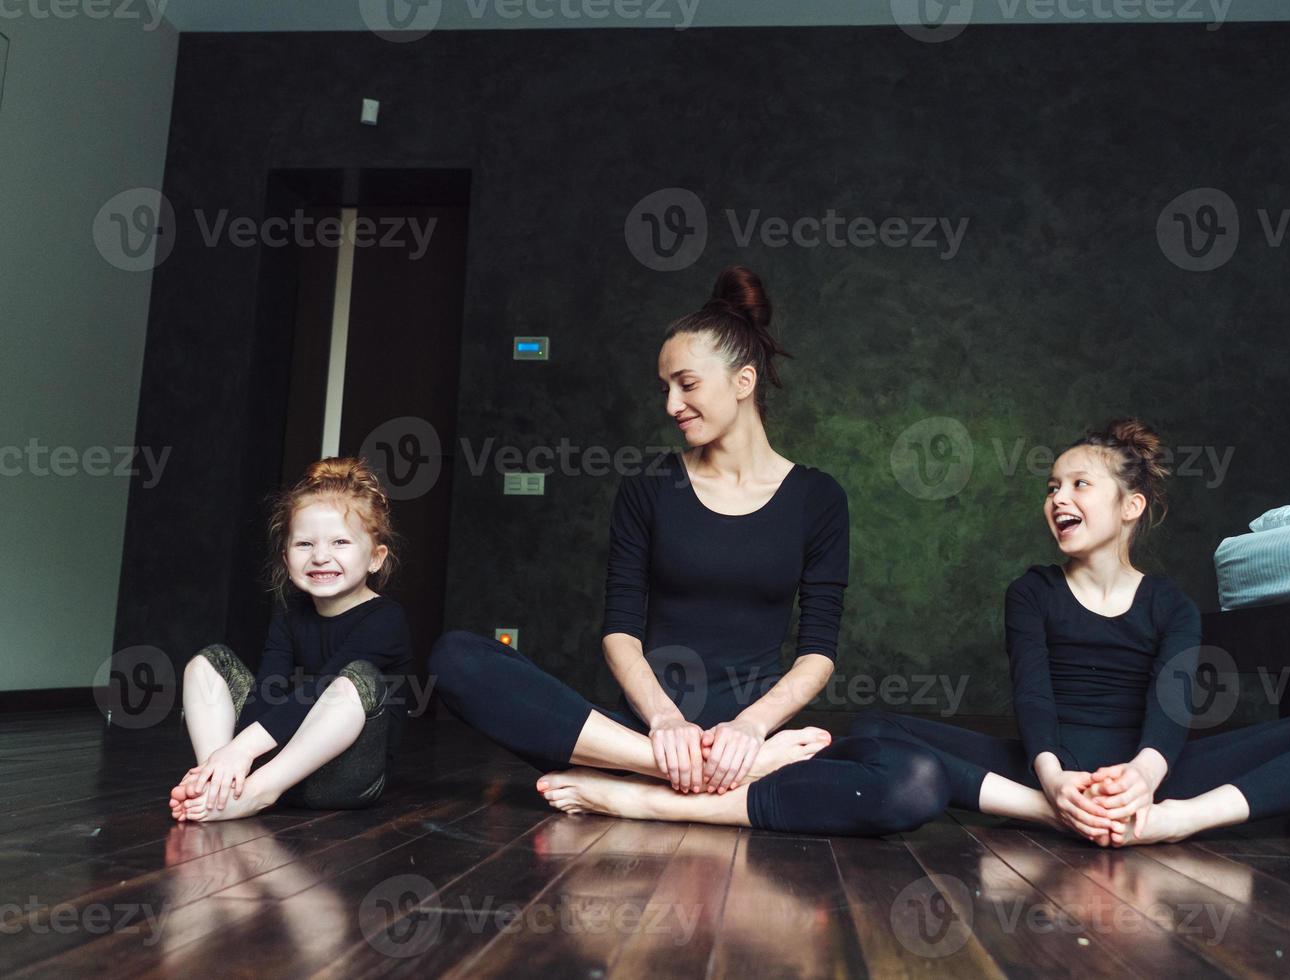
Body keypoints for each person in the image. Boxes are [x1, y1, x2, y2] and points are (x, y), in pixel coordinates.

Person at [430, 266, 947, 836]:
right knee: (455, 657)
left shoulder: (818, 498)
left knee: (913, 777)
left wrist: (750, 732)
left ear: (743, 381)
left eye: (687, 384)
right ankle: (658, 775)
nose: (671, 404)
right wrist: (664, 728)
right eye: (665, 389)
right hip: (634, 736)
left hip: (750, 745)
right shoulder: (648, 489)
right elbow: (620, 631)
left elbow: (817, 652)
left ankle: (648, 799)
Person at [854, 418, 1290, 845]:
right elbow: (1033, 694)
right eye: (1052, 488)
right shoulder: (1032, 591)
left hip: (1151, 777)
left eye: (1079, 484)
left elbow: (1171, 705)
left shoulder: (1171, 604)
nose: (1058, 498)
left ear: (1130, 506)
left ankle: (1171, 822)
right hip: (1043, 773)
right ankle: (1050, 816)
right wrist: (1055, 784)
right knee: (873, 726)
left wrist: (1144, 781)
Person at [168, 458, 411, 822]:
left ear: (376, 558)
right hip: (279, 765)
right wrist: (232, 756)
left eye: (340, 542)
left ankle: (255, 792)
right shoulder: (290, 612)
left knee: (353, 679)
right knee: (207, 662)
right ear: (286, 557)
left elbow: (321, 691)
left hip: (342, 778)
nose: (321, 556)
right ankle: (219, 782)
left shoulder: (385, 619)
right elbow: (267, 691)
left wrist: (244, 748)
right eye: (304, 544)